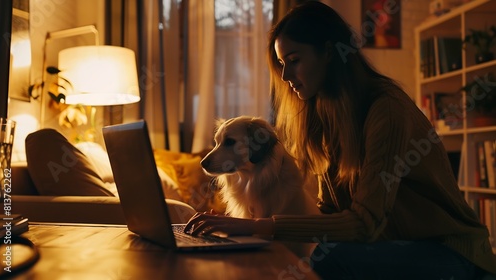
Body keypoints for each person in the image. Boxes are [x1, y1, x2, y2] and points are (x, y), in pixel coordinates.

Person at [184, 1, 496, 279]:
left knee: (329, 257)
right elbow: (331, 213)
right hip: (391, 243)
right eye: (281, 63)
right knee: (291, 256)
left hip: (448, 251)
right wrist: (241, 226)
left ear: (330, 53)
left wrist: (259, 227)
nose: (285, 76)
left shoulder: (386, 110)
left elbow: (364, 223)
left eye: (293, 60)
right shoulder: (323, 118)